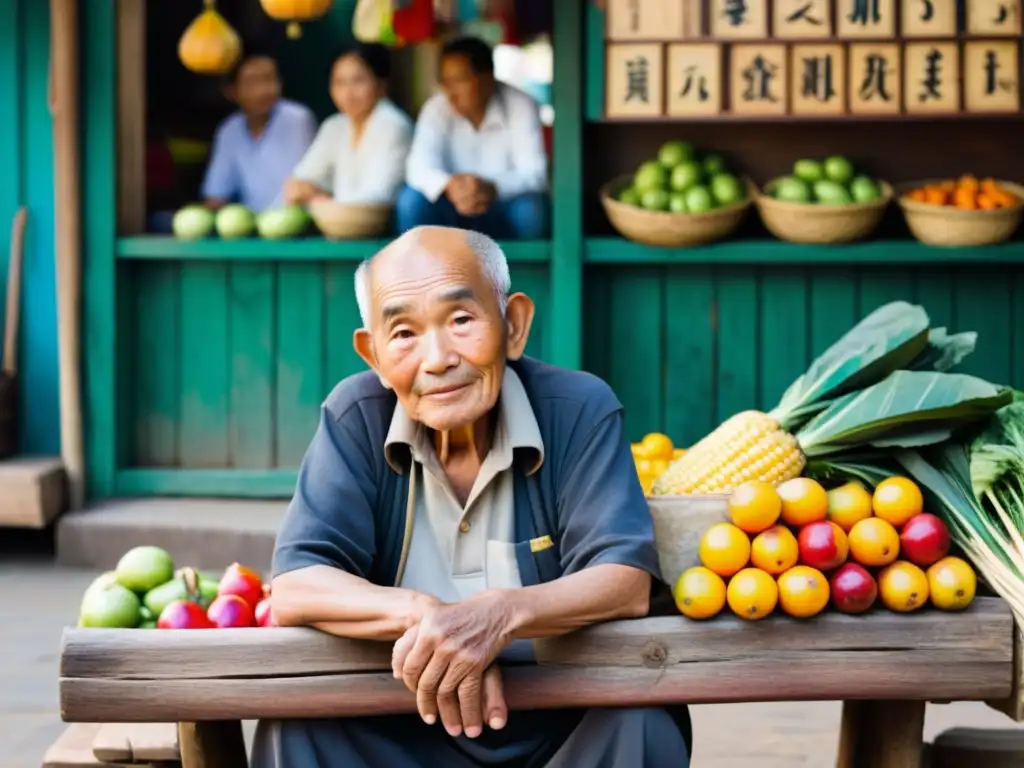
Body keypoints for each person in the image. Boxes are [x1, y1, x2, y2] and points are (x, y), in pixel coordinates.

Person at [252, 226, 692, 768]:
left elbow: (624, 582)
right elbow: (297, 585)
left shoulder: (578, 408)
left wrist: (500, 614)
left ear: (514, 325)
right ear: (373, 355)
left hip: (561, 723)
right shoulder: (355, 415)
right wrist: (431, 618)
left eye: (461, 320)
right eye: (404, 333)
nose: (437, 359)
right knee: (295, 722)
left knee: (644, 719)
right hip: (399, 725)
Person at [397, 37, 550, 240]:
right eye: (445, 82)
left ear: (487, 78)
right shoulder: (437, 107)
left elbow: (536, 173)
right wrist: (449, 186)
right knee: (410, 201)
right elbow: (417, 166)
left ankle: (528, 271)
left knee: (530, 211)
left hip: (501, 206)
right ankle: (418, 269)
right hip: (451, 206)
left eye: (459, 81)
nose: (450, 93)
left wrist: (492, 188)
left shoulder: (521, 105)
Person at [283, 43, 413, 207]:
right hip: (341, 223)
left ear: (381, 85)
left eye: (358, 81)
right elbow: (298, 183)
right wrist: (310, 192)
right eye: (339, 82)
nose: (348, 93)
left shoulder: (393, 125)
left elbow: (379, 196)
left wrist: (322, 199)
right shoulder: (334, 126)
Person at [201, 49, 316, 213]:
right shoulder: (229, 131)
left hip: (297, 225)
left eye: (270, 79)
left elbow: (304, 189)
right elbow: (216, 195)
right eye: (252, 82)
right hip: (254, 230)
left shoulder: (297, 119)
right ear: (231, 91)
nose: (263, 90)